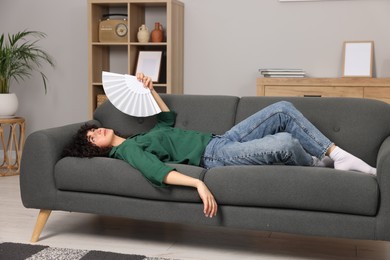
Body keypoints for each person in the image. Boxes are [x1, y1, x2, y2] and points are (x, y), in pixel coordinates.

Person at [63, 73, 377, 219]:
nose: (98, 131)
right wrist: (198, 184)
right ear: (97, 150)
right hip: (215, 156)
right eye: (93, 138)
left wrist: (151, 88)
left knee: (282, 108)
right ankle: (318, 162)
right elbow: (157, 172)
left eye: (95, 130)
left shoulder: (135, 139)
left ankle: (333, 155)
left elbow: (166, 119)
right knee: (284, 142)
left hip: (221, 139)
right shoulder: (126, 151)